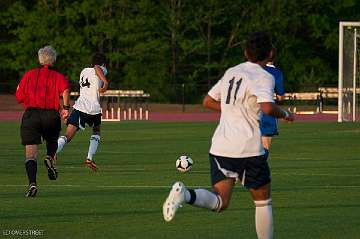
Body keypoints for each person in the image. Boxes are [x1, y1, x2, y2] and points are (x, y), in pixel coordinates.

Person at [162, 32, 294, 239]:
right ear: (270, 53)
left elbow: (207, 101)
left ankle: (185, 195)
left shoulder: (232, 71)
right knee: (263, 201)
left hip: (221, 146)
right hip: (249, 148)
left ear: (245, 52)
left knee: (221, 202)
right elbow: (268, 107)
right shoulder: (265, 76)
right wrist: (285, 114)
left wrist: (234, 110)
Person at [16, 46, 70, 197]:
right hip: (51, 115)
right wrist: (65, 108)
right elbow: (65, 90)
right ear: (53, 60)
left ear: (39, 59)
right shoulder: (58, 76)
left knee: (30, 154)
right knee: (52, 140)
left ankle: (32, 183)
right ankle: (49, 156)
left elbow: (19, 96)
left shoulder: (28, 75)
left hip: (31, 115)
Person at [56, 52, 108, 171]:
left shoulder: (83, 71)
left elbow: (94, 68)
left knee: (68, 135)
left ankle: (53, 152)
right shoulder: (102, 69)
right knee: (96, 131)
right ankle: (89, 158)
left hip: (80, 108)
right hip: (94, 109)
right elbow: (97, 67)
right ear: (104, 64)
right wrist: (105, 82)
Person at [260, 52, 285, 152]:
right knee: (264, 146)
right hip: (267, 110)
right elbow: (280, 97)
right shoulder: (276, 72)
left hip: (248, 110)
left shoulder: (252, 70)